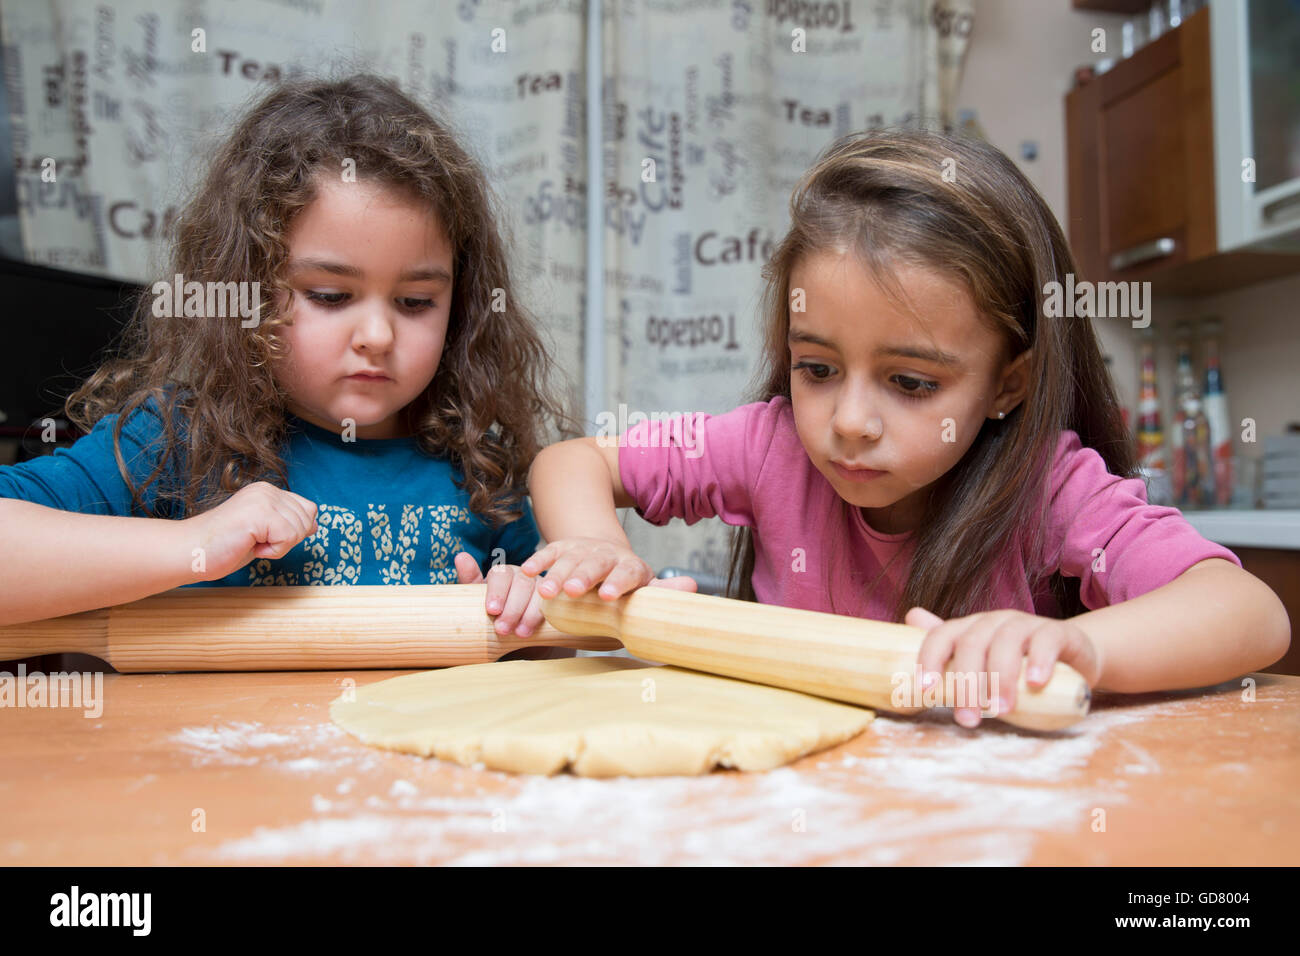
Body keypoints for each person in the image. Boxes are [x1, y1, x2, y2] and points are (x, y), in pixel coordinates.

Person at [523, 129, 1290, 726]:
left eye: (912, 384)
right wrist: (595, 545)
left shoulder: (1045, 488)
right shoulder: (769, 446)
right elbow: (572, 460)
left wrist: (1084, 647)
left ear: (1007, 383)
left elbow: (1249, 613)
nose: (850, 423)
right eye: (817, 369)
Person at [0, 74, 573, 648]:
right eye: (329, 296)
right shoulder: (175, 442)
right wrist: (192, 545)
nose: (376, 334)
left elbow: (561, 645)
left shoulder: (479, 468)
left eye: (416, 302)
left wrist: (527, 613)